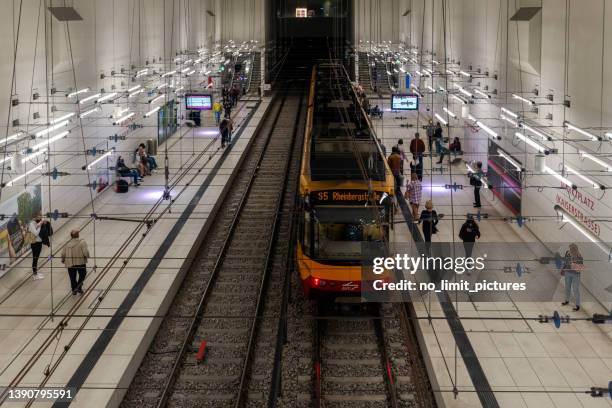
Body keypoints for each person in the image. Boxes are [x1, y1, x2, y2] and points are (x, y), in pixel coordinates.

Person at [61, 230, 90, 295]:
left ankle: (74, 290)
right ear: (78, 235)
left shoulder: (67, 243)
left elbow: (63, 253)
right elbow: (85, 252)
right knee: (83, 274)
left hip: (70, 263)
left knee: (72, 277)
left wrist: (63, 259)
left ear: (71, 236)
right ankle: (79, 287)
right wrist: (87, 256)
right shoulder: (82, 242)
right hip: (80, 262)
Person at [561, 243, 584, 311]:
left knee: (575, 290)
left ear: (575, 249)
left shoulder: (579, 257)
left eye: (572, 249)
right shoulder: (567, 253)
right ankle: (567, 300)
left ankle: (577, 305)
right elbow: (565, 262)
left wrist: (573, 264)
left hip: (575, 275)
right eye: (570, 249)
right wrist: (563, 270)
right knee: (567, 287)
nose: (570, 250)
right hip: (568, 273)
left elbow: (580, 268)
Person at [27, 215, 48, 280]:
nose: (40, 218)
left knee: (37, 258)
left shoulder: (36, 223)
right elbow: (36, 233)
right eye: (39, 217)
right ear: (35, 217)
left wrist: (42, 223)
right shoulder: (31, 224)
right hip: (35, 243)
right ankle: (35, 274)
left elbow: (38, 226)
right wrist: (40, 225)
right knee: (35, 259)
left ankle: (36, 273)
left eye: (40, 217)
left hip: (39, 242)